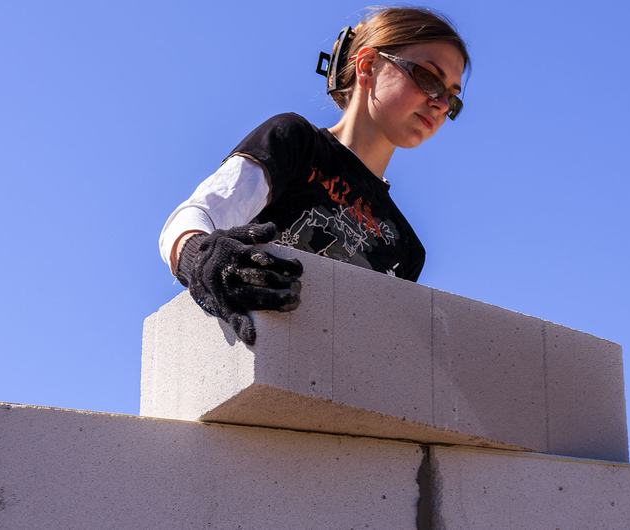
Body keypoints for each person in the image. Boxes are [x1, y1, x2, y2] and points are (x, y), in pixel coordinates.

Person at [158, 6, 470, 345]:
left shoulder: (407, 250)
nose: (439, 103)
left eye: (452, 98)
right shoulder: (295, 141)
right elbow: (194, 215)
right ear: (367, 66)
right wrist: (199, 256)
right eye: (428, 77)